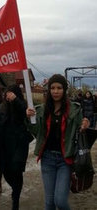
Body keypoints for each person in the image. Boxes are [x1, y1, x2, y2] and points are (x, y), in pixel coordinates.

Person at [26, 74, 90, 210]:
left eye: (59, 88)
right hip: (47, 159)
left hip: (65, 159)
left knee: (60, 201)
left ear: (64, 89)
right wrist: (30, 119)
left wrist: (84, 125)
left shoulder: (74, 109)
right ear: (49, 90)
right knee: (49, 203)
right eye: (53, 88)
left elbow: (80, 130)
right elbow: (37, 132)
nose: (55, 91)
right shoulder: (42, 110)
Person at [0, 84, 33, 210]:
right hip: (4, 145)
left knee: (16, 170)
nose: (8, 95)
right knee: (6, 171)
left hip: (19, 144)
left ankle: (16, 199)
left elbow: (25, 112)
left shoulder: (22, 105)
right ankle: (16, 189)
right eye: (7, 93)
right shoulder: (2, 107)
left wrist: (15, 100)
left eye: (11, 93)